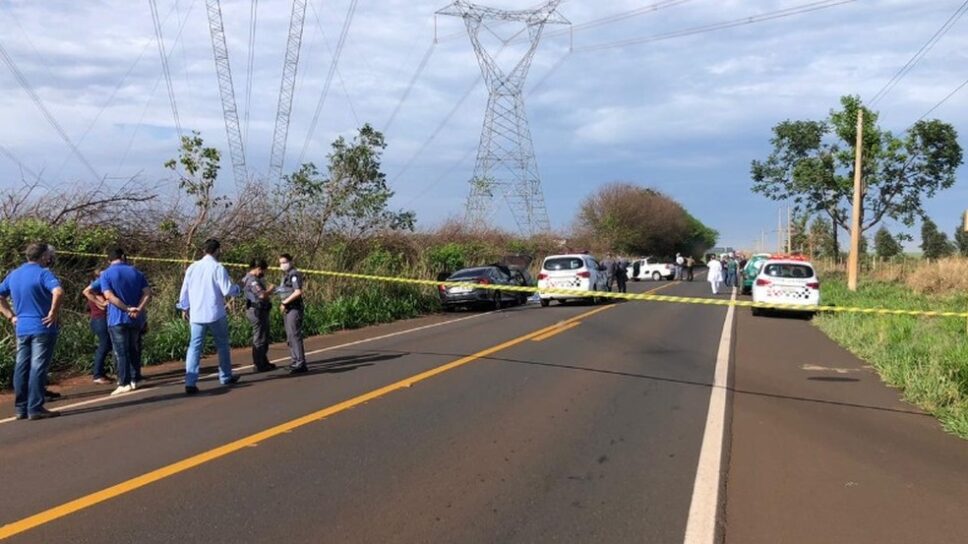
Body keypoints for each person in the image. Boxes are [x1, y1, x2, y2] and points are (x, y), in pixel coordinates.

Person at [0, 243, 63, 420]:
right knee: (38, 367)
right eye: (48, 255)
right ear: (43, 256)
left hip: (22, 327)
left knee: (22, 366)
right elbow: (58, 291)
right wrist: (53, 312)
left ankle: (21, 407)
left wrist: (11, 316)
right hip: (42, 326)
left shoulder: (14, 274)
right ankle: (35, 407)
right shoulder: (44, 273)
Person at [178, 239, 242, 394]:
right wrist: (238, 288)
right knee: (222, 345)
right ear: (217, 250)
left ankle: (190, 381)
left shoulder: (192, 267)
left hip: (197, 314)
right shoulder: (218, 267)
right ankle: (225, 376)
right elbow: (227, 290)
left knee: (194, 347)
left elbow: (184, 290)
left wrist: (184, 307)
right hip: (215, 313)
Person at [99, 247, 152, 396]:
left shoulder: (106, 274)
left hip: (117, 318)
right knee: (133, 348)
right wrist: (138, 308)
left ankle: (124, 382)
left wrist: (126, 308)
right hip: (136, 318)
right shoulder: (136, 272)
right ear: (123, 256)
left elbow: (109, 296)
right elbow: (147, 292)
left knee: (121, 352)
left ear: (109, 259)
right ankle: (136, 378)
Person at [242, 258, 276, 373]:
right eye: (262, 270)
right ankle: (258, 364)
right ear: (258, 269)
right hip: (256, 311)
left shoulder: (254, 278)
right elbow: (261, 295)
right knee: (260, 338)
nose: (263, 273)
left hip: (261, 310)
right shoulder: (252, 280)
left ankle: (263, 360)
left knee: (264, 336)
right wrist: (270, 290)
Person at [277, 253, 307, 374]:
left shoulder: (294, 274)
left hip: (294, 308)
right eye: (280, 263)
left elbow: (298, 292)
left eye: (285, 262)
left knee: (295, 335)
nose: (283, 265)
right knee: (290, 336)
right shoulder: (286, 275)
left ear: (291, 261)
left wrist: (284, 302)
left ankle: (300, 363)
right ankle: (295, 361)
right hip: (288, 309)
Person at [82, 268, 113, 385]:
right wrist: (105, 302)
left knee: (107, 345)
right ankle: (97, 374)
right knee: (104, 345)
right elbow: (103, 306)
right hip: (100, 320)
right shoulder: (96, 292)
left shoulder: (99, 290)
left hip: (100, 320)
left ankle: (101, 373)